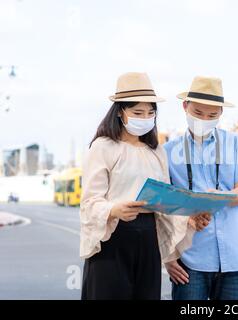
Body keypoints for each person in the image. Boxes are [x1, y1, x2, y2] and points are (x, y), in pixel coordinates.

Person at [79, 72, 210, 300]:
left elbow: (165, 202)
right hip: (113, 237)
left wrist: (189, 217)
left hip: (148, 237)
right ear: (120, 112)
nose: (145, 117)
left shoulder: (156, 150)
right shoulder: (103, 147)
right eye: (138, 112)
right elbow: (89, 202)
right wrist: (113, 209)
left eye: (150, 113)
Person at [164, 76, 238, 300]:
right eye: (198, 113)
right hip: (189, 260)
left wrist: (217, 197)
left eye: (212, 115)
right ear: (185, 106)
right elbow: (163, 206)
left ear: (220, 114)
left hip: (233, 260)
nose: (204, 119)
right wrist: (168, 257)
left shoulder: (236, 143)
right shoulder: (167, 151)